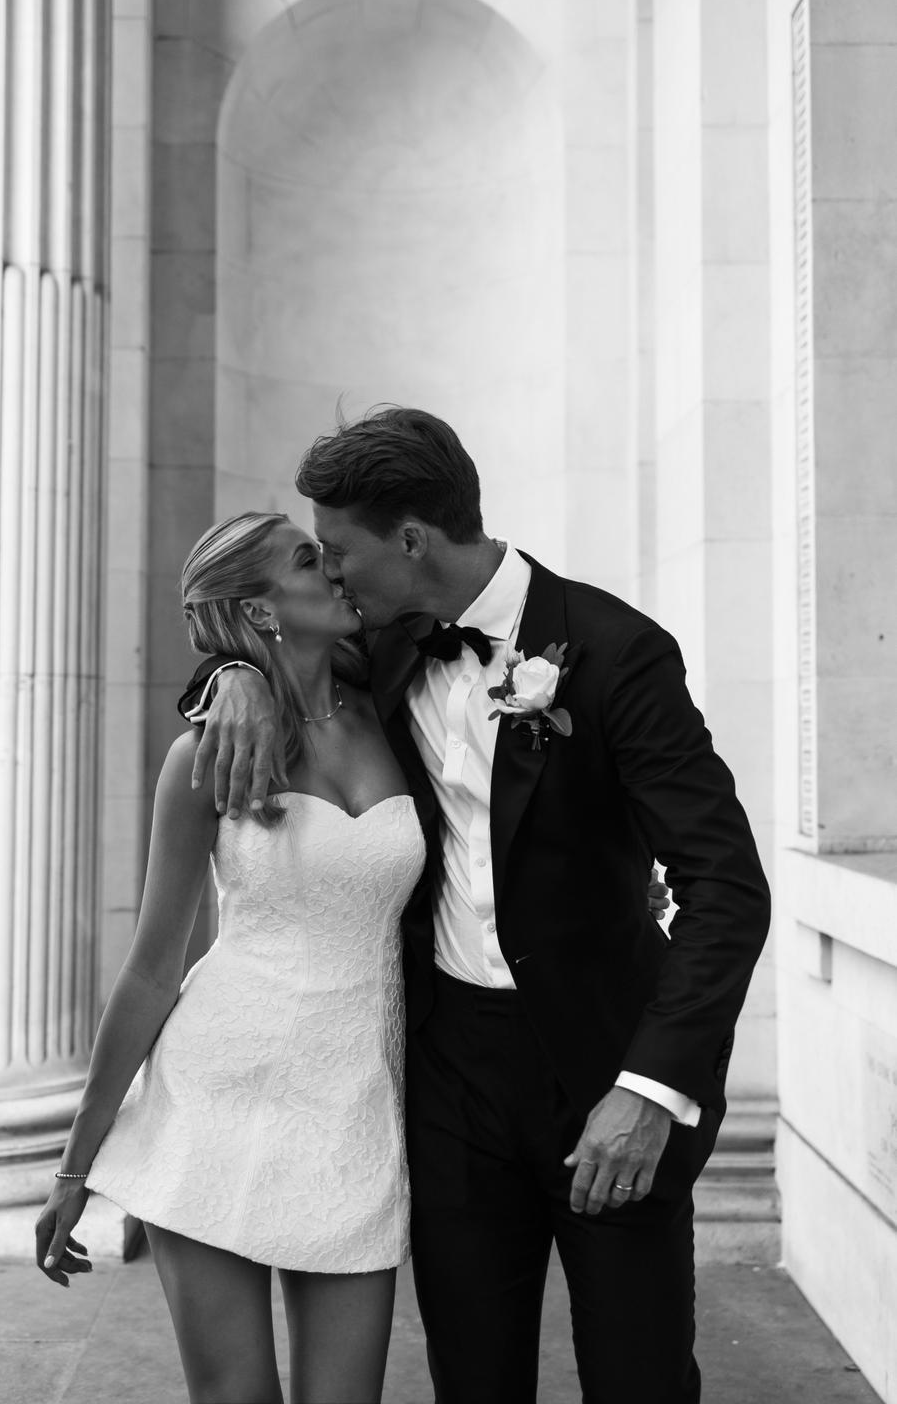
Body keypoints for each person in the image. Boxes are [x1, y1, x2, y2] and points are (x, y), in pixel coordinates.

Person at [182, 406, 772, 1404]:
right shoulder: (386, 645)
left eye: (339, 551)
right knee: (473, 1381)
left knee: (640, 1381)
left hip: (605, 1070)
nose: (333, 575)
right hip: (450, 1078)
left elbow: (727, 889)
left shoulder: (616, 651)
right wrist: (228, 675)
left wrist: (651, 1087)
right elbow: (269, 646)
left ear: (411, 541)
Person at [34, 510, 428, 1404]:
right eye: (308, 559)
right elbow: (152, 968)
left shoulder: (398, 713)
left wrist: (235, 672)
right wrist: (76, 1165)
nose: (334, 568)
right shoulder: (204, 754)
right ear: (258, 610)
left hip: (353, 1111)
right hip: (214, 1096)